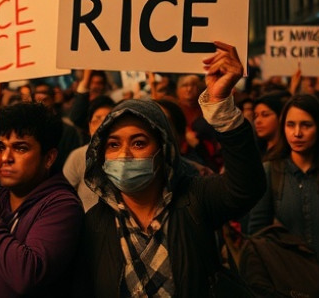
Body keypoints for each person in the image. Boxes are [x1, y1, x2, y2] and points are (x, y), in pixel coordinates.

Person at [74, 42, 265, 297]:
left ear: (163, 149)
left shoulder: (196, 199)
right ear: (101, 155)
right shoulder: (94, 223)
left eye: (139, 143)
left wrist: (222, 108)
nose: (125, 154)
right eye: (113, 144)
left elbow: (247, 187)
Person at [0, 102, 84, 296]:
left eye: (20, 148)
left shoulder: (62, 206)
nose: (6, 157)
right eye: (1, 146)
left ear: (49, 158)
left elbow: (26, 275)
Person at [248, 94, 319, 297]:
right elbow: (258, 238)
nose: (297, 133)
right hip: (287, 287)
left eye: (306, 125)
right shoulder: (270, 171)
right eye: (290, 125)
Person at [63, 95, 117, 211]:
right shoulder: (78, 156)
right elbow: (64, 194)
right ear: (89, 127)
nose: (102, 124)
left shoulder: (123, 156)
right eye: (97, 119)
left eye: (108, 118)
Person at [253, 93, 285, 158]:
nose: (257, 121)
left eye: (265, 115)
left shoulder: (287, 154)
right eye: (255, 116)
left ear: (280, 117)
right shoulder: (254, 151)